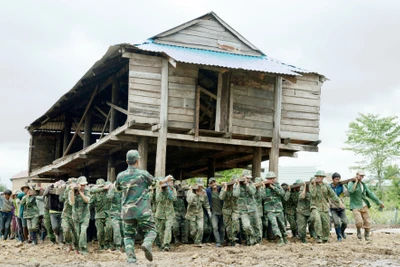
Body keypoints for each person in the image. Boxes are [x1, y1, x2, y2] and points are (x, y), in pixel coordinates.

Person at [115, 149, 172, 264]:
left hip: (127, 212)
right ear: (137, 160)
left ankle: (131, 259)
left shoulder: (120, 176)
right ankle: (146, 243)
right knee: (151, 230)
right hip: (143, 211)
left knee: (128, 236)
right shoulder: (143, 174)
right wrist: (165, 180)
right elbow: (155, 183)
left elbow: (117, 189)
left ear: (127, 161)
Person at [348, 170, 385, 241]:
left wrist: (379, 202)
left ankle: (367, 235)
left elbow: (370, 194)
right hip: (355, 206)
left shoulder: (363, 185)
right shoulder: (350, 183)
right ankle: (358, 230)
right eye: (360, 175)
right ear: (357, 175)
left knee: (368, 221)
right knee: (359, 222)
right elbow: (351, 191)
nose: (361, 177)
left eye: (362, 176)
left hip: (364, 205)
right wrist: (355, 181)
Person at [309, 171, 344, 243]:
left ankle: (325, 238)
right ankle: (319, 237)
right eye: (318, 176)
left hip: (324, 206)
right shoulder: (312, 185)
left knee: (326, 223)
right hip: (315, 206)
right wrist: (314, 185)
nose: (319, 178)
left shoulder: (326, 185)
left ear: (322, 177)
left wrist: (339, 202)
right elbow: (313, 195)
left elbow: (332, 194)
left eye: (320, 176)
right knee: (317, 219)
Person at [261, 172, 288, 246]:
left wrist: (273, 187)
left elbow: (282, 194)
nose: (271, 180)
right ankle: (280, 240)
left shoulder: (278, 185)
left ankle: (285, 238)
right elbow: (262, 197)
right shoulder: (263, 187)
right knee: (274, 225)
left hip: (278, 209)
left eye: (272, 178)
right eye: (269, 179)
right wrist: (263, 188)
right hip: (269, 209)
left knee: (282, 225)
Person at [185, 178, 211, 246]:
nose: (200, 187)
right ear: (196, 185)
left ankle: (198, 242)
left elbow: (206, 203)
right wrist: (194, 193)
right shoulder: (190, 191)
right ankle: (194, 240)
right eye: (199, 186)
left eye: (201, 186)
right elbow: (189, 201)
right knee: (193, 231)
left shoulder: (203, 192)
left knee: (200, 228)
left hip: (199, 213)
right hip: (191, 214)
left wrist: (208, 211)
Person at [233, 176, 257, 245]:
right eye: (247, 177)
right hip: (243, 210)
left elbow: (252, 192)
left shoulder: (251, 184)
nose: (248, 179)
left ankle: (251, 241)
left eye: (249, 178)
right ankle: (252, 237)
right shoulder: (237, 184)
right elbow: (236, 194)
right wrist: (238, 185)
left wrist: (247, 185)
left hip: (252, 209)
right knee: (246, 226)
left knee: (254, 226)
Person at [69, 176, 91, 254]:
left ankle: (83, 248)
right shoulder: (72, 191)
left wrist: (81, 192)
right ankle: (76, 248)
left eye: (84, 185)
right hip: (76, 216)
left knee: (83, 232)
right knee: (76, 234)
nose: (83, 187)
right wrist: (72, 191)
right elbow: (72, 203)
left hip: (85, 215)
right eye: (81, 185)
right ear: (78, 184)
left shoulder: (87, 191)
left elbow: (87, 200)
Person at [155, 176, 177, 251]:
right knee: (159, 231)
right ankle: (161, 245)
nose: (172, 182)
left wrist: (168, 191)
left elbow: (174, 199)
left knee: (168, 228)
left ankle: (166, 245)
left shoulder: (173, 190)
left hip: (170, 213)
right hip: (160, 213)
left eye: (172, 181)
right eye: (170, 181)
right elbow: (158, 199)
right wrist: (161, 190)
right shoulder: (159, 188)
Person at [90, 178, 110, 250]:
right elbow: (90, 204)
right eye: (100, 187)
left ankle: (107, 243)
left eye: (103, 186)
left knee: (109, 228)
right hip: (99, 215)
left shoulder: (108, 192)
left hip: (108, 214)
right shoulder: (95, 194)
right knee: (100, 232)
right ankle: (101, 245)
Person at [219, 176, 239, 246]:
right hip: (226, 209)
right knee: (228, 227)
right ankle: (231, 240)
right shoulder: (225, 188)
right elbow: (221, 197)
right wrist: (225, 188)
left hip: (235, 209)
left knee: (236, 222)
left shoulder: (237, 188)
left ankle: (233, 237)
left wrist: (237, 185)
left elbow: (237, 194)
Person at [330, 172, 349, 241]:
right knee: (336, 222)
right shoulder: (329, 187)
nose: (337, 181)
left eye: (338, 179)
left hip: (341, 208)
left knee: (345, 222)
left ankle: (342, 232)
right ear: (333, 179)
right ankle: (339, 236)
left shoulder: (341, 186)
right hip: (333, 208)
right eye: (336, 179)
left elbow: (347, 194)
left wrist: (347, 185)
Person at [206, 177, 224, 247]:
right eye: (211, 183)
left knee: (222, 229)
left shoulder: (221, 189)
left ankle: (222, 241)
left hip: (222, 212)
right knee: (215, 227)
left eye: (214, 182)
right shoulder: (208, 191)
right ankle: (218, 242)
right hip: (214, 213)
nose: (213, 184)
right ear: (209, 185)